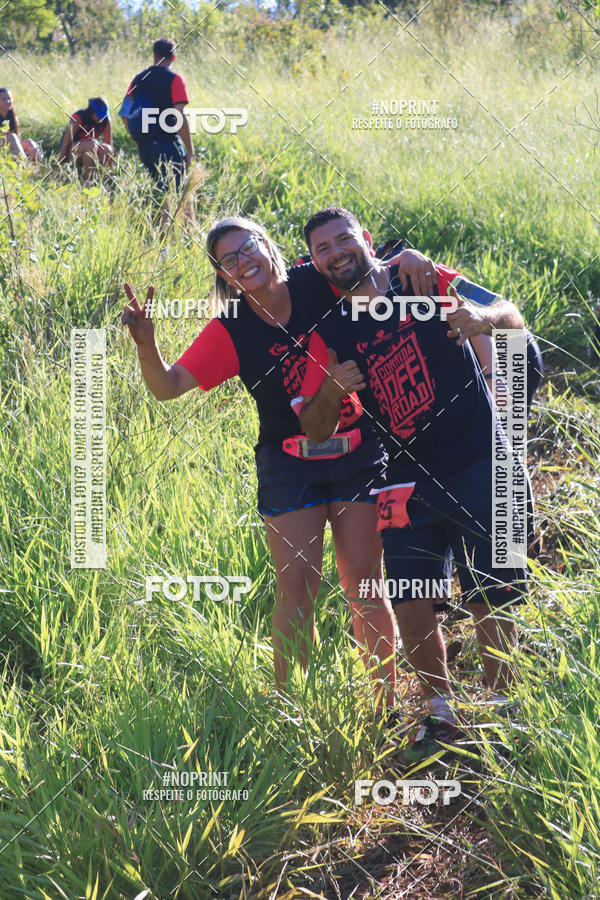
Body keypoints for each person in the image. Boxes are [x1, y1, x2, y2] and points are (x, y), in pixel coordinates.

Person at [121, 215, 435, 713]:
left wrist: (410, 259)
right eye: (229, 260)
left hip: (359, 452)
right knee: (296, 584)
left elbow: (365, 266)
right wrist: (146, 344)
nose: (243, 262)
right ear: (223, 276)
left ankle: (386, 703)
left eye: (248, 248)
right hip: (288, 466)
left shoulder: (316, 281)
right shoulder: (232, 330)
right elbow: (166, 387)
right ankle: (292, 707)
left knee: (366, 579)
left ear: (268, 244)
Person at [298, 207, 529, 765]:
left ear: (365, 240)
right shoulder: (328, 332)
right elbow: (313, 428)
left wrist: (480, 319)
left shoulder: (418, 279)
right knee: (409, 599)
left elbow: (512, 315)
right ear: (315, 261)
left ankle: (500, 707)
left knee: (492, 592)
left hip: (481, 459)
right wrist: (331, 391)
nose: (335, 252)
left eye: (342, 239)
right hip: (401, 476)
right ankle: (439, 710)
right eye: (322, 248)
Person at [120, 37, 193, 215]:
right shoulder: (175, 79)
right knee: (173, 194)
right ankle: (163, 240)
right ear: (174, 57)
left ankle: (189, 236)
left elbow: (124, 114)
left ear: (154, 55)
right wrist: (189, 149)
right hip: (168, 145)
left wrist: (138, 142)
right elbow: (178, 115)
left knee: (168, 193)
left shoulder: (138, 79)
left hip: (146, 150)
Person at [57, 97, 113, 184]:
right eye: (99, 115)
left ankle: (96, 179)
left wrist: (110, 169)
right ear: (91, 112)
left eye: (104, 115)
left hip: (89, 151)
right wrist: (60, 168)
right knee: (92, 144)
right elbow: (65, 143)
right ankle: (88, 181)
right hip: (72, 153)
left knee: (106, 148)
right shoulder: (79, 118)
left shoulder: (106, 120)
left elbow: (109, 145)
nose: (101, 119)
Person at [0, 88, 44, 162]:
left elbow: (18, 137)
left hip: (10, 147)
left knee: (29, 142)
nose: (7, 101)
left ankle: (42, 167)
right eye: (3, 99)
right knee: (12, 137)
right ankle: (25, 165)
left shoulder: (12, 116)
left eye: (9, 98)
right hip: (2, 148)